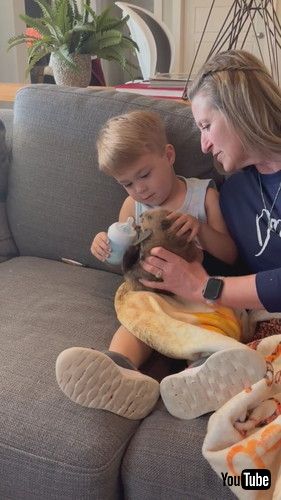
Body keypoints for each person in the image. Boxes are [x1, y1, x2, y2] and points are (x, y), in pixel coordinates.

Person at [55, 109, 259, 420]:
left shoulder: (204, 195)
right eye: (127, 184)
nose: (140, 189)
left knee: (211, 326)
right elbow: (124, 263)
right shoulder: (132, 207)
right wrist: (104, 246)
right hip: (156, 295)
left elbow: (231, 255)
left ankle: (201, 376)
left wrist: (200, 229)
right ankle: (119, 370)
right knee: (137, 318)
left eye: (144, 174)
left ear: (168, 155)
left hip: (202, 293)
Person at [137, 49, 281, 418]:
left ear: (238, 108)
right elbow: (228, 263)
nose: (204, 146)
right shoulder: (232, 194)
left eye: (205, 126)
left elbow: (214, 285)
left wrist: (207, 288)